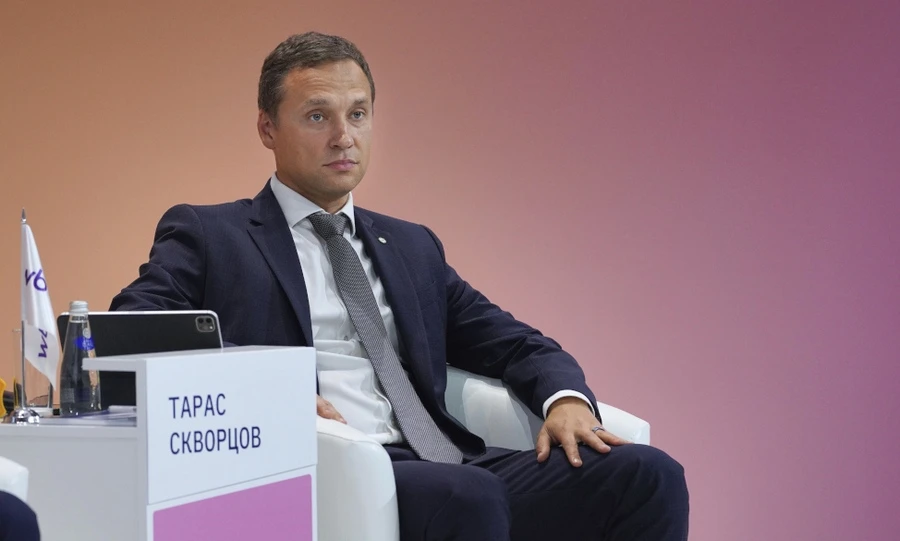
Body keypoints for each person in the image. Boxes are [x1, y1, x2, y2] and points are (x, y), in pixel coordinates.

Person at [110, 31, 689, 540]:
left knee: (648, 474)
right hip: (320, 469)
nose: (344, 137)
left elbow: (515, 343)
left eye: (358, 114)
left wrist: (566, 402)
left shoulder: (411, 246)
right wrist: (267, 387)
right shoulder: (213, 234)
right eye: (318, 117)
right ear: (267, 128)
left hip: (448, 461)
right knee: (469, 496)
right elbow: (132, 331)